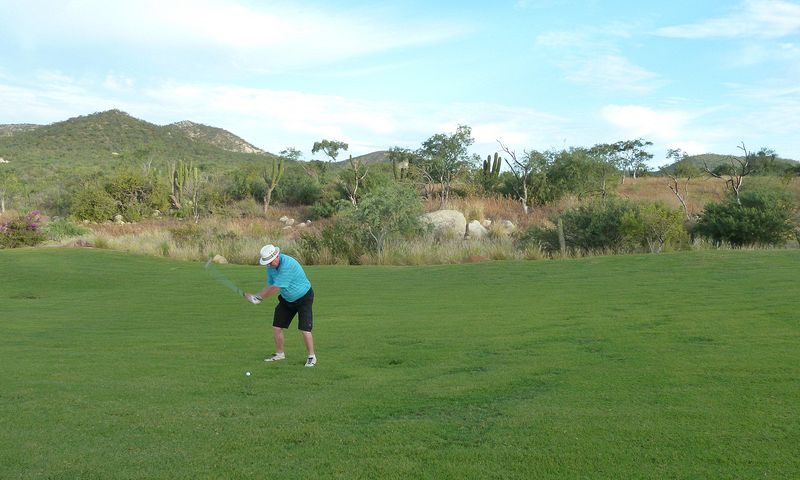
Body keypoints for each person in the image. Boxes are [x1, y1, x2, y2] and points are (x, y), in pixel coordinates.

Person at [245, 244, 317, 367]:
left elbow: (276, 288)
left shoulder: (287, 265)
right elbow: (270, 285)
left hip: (304, 297)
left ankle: (311, 356)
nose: (269, 265)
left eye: (270, 262)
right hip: (287, 299)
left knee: (304, 329)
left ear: (277, 256)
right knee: (277, 327)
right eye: (267, 263)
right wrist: (256, 296)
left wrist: (258, 298)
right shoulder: (270, 267)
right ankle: (280, 354)